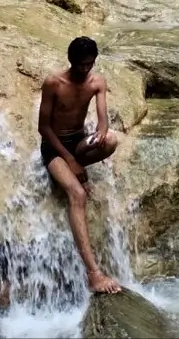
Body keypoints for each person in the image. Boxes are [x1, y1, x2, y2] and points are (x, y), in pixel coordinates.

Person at [37, 36, 121, 294]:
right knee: (77, 194)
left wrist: (100, 135)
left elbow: (103, 122)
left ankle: (77, 166)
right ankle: (93, 274)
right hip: (55, 147)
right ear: (71, 62)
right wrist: (71, 161)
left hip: (78, 140)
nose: (85, 70)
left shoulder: (97, 81)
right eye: (81, 65)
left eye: (89, 64)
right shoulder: (54, 83)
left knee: (111, 142)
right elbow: (43, 128)